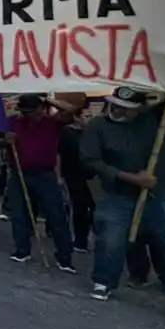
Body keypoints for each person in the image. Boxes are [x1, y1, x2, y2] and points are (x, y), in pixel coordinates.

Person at [81, 87, 165, 329]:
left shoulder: (156, 117)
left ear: (140, 108)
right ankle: (104, 279)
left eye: (126, 108)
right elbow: (91, 161)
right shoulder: (97, 126)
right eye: (115, 104)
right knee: (110, 240)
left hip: (161, 195)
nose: (118, 110)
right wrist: (130, 178)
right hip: (117, 194)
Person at [4, 95, 75, 271]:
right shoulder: (13, 122)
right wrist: (6, 139)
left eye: (33, 112)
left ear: (41, 109)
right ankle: (22, 250)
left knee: (56, 215)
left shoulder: (52, 122)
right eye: (26, 112)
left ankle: (64, 257)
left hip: (45, 175)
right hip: (20, 173)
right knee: (19, 214)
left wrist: (48, 100)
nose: (30, 116)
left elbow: (71, 109)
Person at [58, 107, 96, 253]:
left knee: (92, 207)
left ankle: (92, 237)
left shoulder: (91, 133)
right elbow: (59, 154)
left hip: (90, 176)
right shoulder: (66, 132)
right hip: (72, 174)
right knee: (77, 207)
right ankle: (79, 240)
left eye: (90, 115)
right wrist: (59, 175)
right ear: (76, 117)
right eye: (86, 115)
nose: (89, 118)